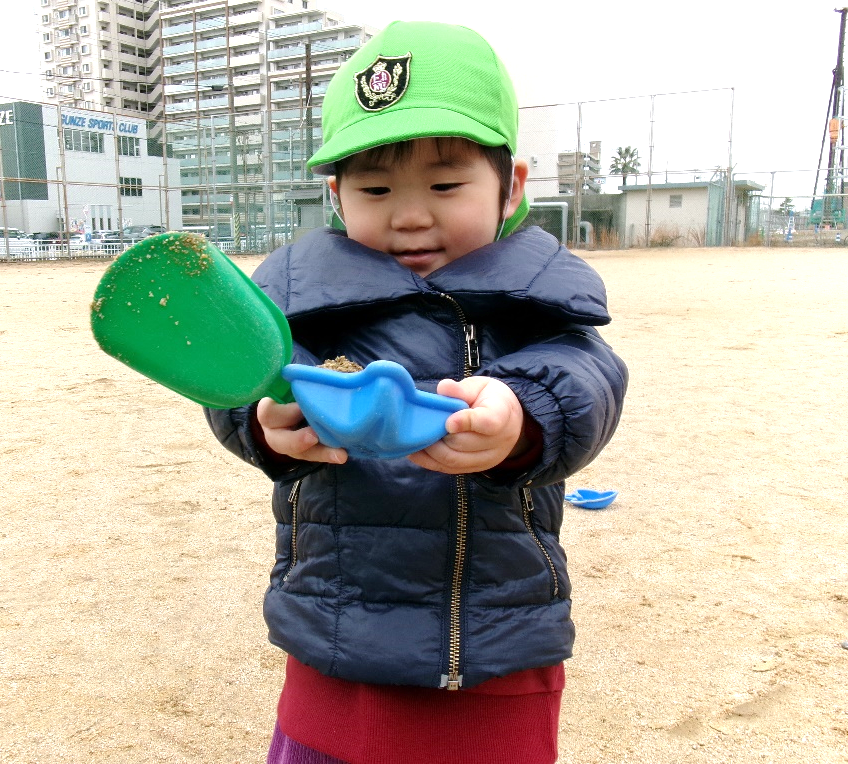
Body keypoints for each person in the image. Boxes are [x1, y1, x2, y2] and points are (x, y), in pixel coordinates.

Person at [205, 20, 628, 764]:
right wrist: (266, 423)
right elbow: (241, 380)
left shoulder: (534, 294)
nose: (408, 214)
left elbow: (585, 374)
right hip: (337, 619)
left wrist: (520, 416)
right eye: (374, 189)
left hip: (490, 632)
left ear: (511, 186)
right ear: (335, 195)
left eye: (444, 184)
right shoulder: (302, 292)